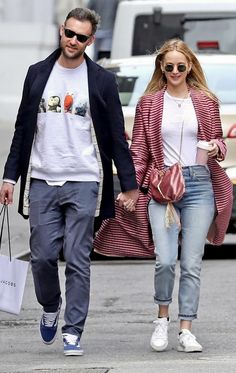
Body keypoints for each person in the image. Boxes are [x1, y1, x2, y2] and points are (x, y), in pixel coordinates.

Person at [0, 7, 138, 356]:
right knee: (43, 256)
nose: (73, 41)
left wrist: (131, 184)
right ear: (62, 31)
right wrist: (9, 176)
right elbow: (22, 130)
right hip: (43, 179)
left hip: (85, 179)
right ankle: (50, 306)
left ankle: (73, 330)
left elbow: (116, 138)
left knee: (78, 259)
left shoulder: (102, 81)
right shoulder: (37, 74)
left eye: (81, 37)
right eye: (69, 33)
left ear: (91, 41)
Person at [95, 38, 233, 352]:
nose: (174, 71)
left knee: (192, 262)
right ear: (161, 66)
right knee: (166, 260)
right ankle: (162, 319)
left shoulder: (206, 102)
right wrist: (132, 188)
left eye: (180, 66)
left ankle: (186, 329)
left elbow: (219, 143)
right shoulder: (149, 104)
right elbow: (140, 151)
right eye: (168, 66)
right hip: (163, 187)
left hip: (199, 184)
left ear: (190, 67)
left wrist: (215, 147)